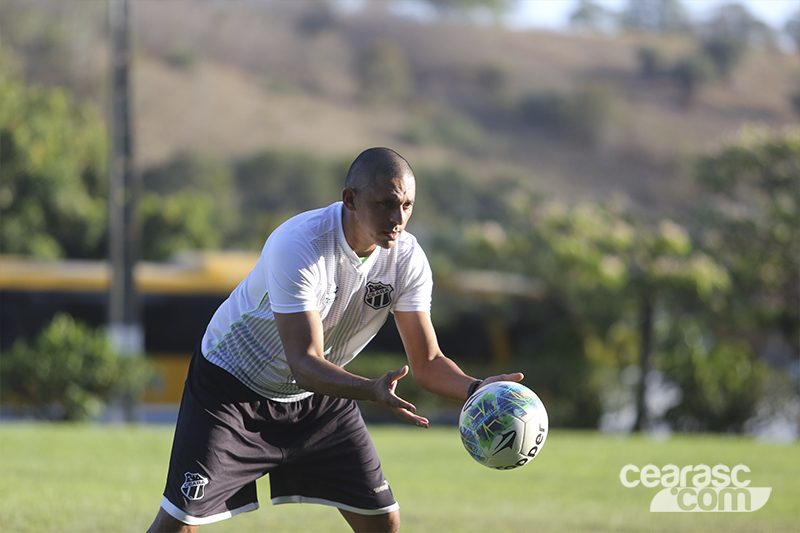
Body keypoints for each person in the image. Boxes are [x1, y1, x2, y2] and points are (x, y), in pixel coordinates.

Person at [147, 147, 523, 533]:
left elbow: (427, 363)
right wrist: (371, 390)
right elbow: (305, 363)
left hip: (318, 397)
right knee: (180, 525)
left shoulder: (407, 258)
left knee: (383, 523)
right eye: (386, 204)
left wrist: (476, 389)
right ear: (350, 199)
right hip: (230, 392)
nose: (398, 218)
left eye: (407, 205)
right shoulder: (300, 244)